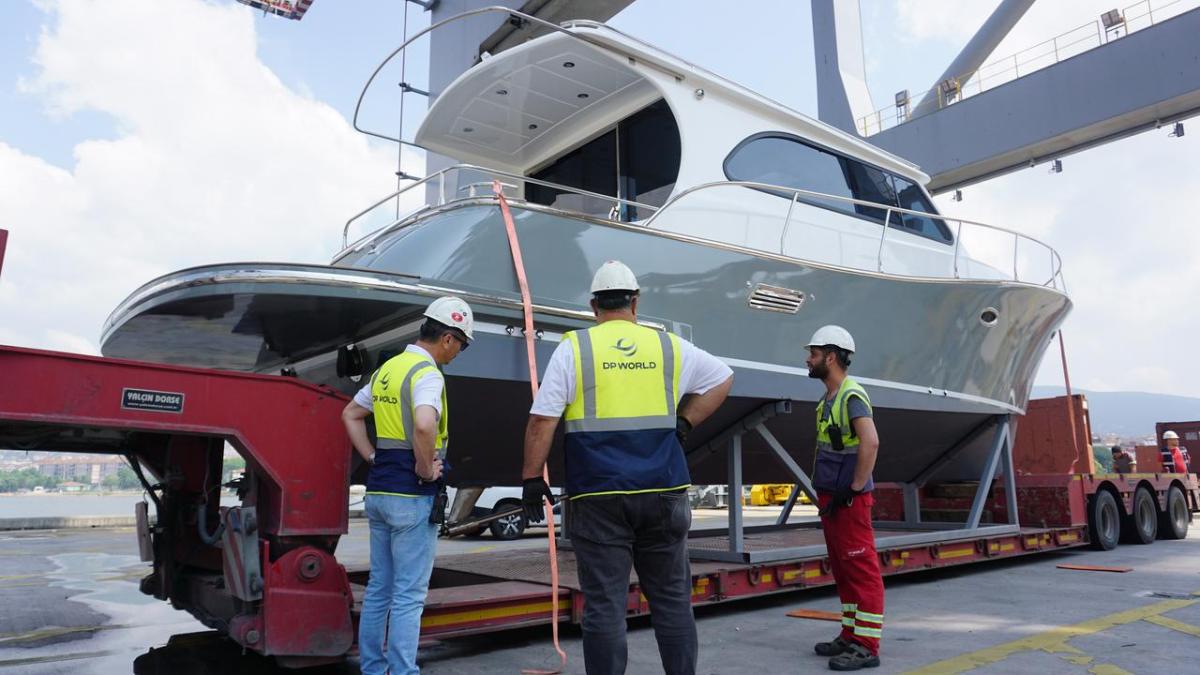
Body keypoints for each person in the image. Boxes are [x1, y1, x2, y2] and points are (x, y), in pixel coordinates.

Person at [520, 260, 733, 675]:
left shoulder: (576, 348)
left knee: (604, 607)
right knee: (672, 602)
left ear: (594, 306)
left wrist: (531, 478)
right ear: (636, 303)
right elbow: (723, 378)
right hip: (663, 492)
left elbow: (542, 419)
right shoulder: (669, 346)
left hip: (598, 496)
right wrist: (685, 421)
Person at [341, 296, 473, 675]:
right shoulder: (427, 373)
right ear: (448, 337)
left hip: (380, 491)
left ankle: (372, 667)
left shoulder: (387, 370)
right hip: (411, 496)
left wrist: (370, 457)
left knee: (381, 587)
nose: (459, 352)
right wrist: (425, 469)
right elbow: (424, 424)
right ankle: (402, 671)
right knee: (409, 594)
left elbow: (350, 414)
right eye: (461, 344)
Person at [804, 325, 884, 671]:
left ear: (831, 357)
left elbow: (871, 441)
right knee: (843, 568)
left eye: (814, 354)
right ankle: (850, 634)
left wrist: (854, 488)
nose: (808, 359)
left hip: (848, 500)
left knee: (861, 568)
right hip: (833, 500)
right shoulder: (828, 400)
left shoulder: (851, 396)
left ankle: (866, 645)